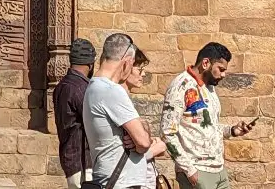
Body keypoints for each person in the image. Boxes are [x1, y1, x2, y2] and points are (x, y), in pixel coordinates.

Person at [160, 42, 255, 189]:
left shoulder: (209, 87)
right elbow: (167, 132)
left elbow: (209, 125)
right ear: (205, 63)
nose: (223, 75)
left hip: (219, 170)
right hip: (198, 171)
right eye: (221, 69)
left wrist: (231, 130)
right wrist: (190, 171)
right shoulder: (181, 86)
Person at [83, 32, 165, 189]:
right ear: (127, 62)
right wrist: (140, 139)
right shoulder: (111, 90)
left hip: (107, 177)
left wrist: (138, 135)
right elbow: (143, 142)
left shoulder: (93, 87)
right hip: (121, 182)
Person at [53, 38, 97, 188]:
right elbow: (95, 122)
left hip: (70, 157)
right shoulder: (80, 88)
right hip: (82, 162)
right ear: (91, 65)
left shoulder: (62, 85)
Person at [123, 48, 167, 189]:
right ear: (127, 67)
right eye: (139, 69)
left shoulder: (126, 98)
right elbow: (130, 150)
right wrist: (154, 149)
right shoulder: (118, 100)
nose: (143, 74)